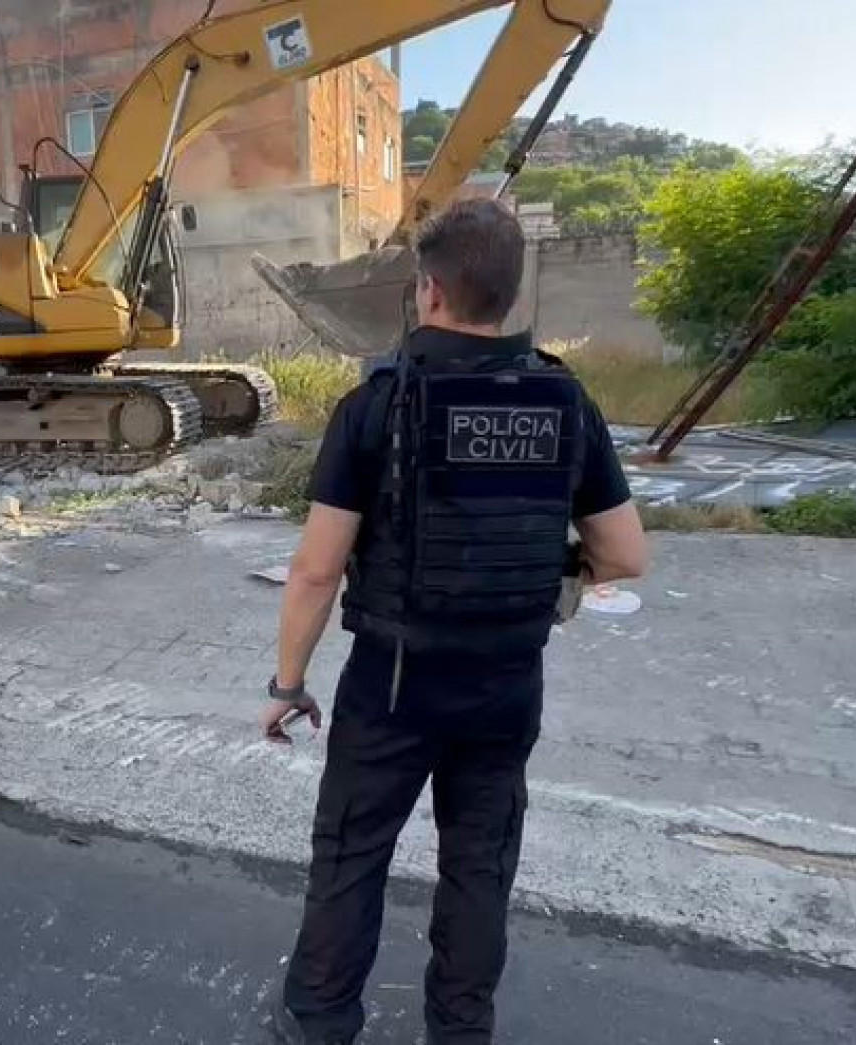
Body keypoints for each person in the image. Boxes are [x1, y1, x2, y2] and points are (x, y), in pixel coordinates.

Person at [263, 197, 649, 1045]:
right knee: (479, 865)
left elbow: (317, 569)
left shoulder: (376, 403)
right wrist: (555, 574)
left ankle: (322, 1022)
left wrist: (286, 683)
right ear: (508, 295)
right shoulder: (564, 397)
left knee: (352, 855)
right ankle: (460, 1029)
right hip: (508, 683)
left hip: (395, 682)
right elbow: (625, 554)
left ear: (428, 290)